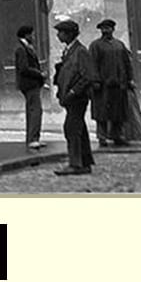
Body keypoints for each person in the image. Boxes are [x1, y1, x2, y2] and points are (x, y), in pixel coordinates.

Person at [52, 18, 96, 175]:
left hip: (78, 98)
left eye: (61, 32)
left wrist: (72, 92)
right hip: (70, 97)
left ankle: (75, 164)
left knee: (71, 128)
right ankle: (84, 162)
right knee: (79, 129)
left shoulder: (80, 51)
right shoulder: (69, 51)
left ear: (70, 34)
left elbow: (87, 77)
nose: (58, 35)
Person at [87, 19, 135, 149]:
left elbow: (127, 63)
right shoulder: (95, 46)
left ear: (113, 30)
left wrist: (130, 79)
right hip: (103, 85)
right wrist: (95, 80)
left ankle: (117, 136)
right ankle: (102, 137)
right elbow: (92, 64)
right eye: (103, 29)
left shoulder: (119, 45)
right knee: (102, 112)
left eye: (108, 28)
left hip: (119, 84)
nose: (105, 31)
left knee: (118, 112)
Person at [12, 22, 48, 151]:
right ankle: (33, 139)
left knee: (32, 110)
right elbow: (24, 68)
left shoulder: (26, 47)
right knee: (35, 111)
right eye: (31, 34)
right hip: (29, 84)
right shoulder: (21, 49)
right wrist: (40, 74)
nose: (33, 36)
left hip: (30, 83)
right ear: (26, 35)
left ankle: (32, 138)